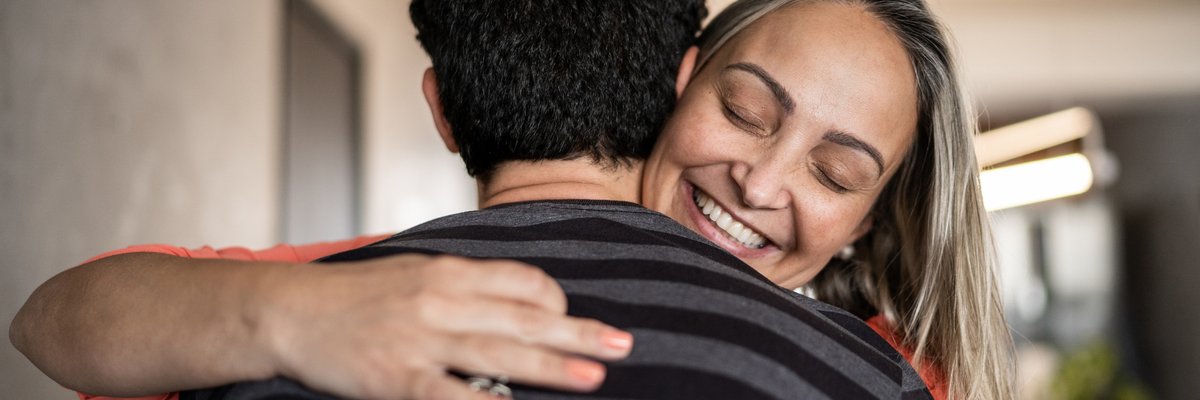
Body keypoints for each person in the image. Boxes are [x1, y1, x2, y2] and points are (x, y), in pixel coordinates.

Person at [11, 0, 1013, 399]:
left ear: (875, 216)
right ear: (677, 78)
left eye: (834, 173)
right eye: (746, 112)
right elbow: (56, 316)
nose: (760, 182)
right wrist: (290, 311)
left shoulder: (902, 377)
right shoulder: (373, 300)